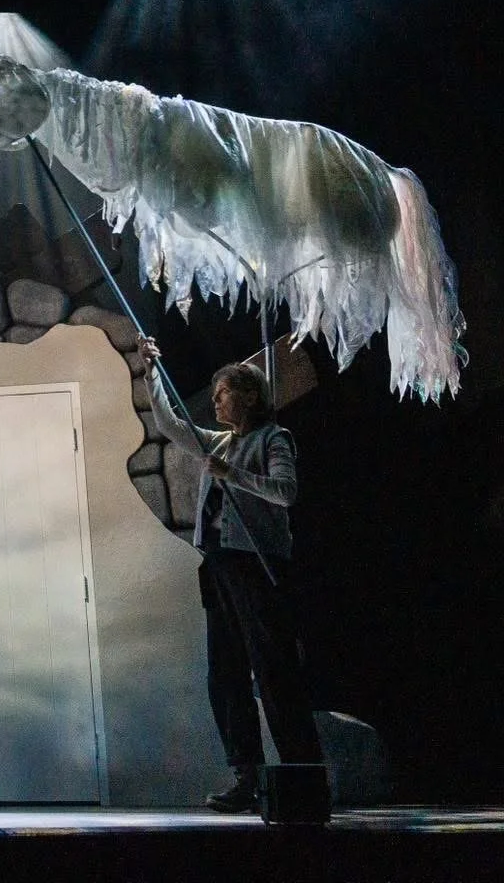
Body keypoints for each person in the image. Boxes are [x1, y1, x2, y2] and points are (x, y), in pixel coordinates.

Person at [142, 339, 324, 813]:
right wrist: (153, 370)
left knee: (273, 669)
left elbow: (286, 492)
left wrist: (233, 474)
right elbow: (169, 425)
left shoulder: (273, 439)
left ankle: (302, 774)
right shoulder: (218, 442)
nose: (217, 400)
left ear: (248, 396)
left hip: (255, 567)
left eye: (223, 392)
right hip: (220, 565)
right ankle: (247, 774)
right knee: (225, 674)